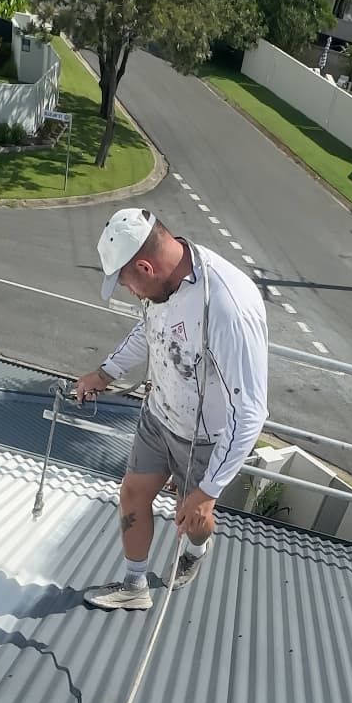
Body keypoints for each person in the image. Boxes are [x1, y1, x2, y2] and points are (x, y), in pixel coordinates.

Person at [78, 208, 268, 611]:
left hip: (205, 437)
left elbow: (250, 411)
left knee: (193, 518)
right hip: (159, 415)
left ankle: (197, 550)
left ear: (146, 266)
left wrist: (208, 492)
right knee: (131, 493)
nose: (129, 292)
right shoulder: (162, 285)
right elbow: (151, 328)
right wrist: (105, 373)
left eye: (127, 283)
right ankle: (134, 585)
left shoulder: (226, 308)